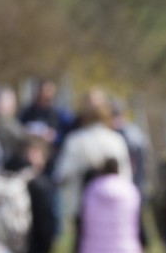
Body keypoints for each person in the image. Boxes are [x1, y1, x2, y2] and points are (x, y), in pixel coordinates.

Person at [54, 88, 132, 222]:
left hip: (82, 206)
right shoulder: (116, 140)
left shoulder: (75, 140)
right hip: (112, 205)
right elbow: (126, 177)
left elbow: (61, 174)